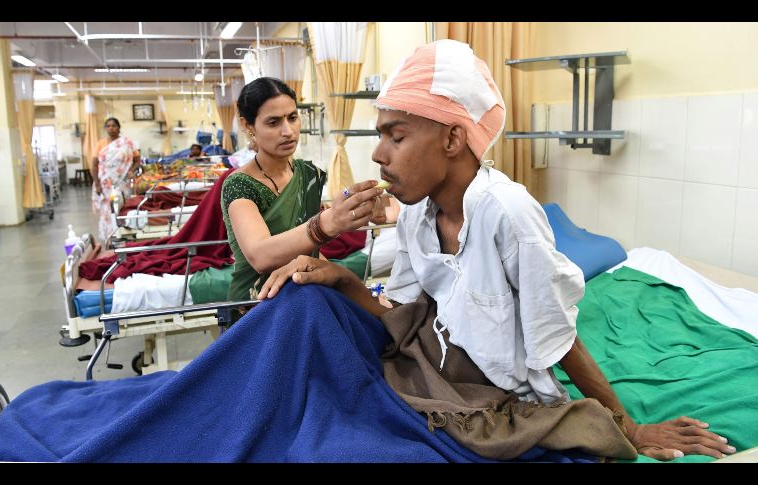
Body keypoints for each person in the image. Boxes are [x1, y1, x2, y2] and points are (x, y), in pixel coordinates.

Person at [255, 40, 736, 461]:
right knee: (303, 305)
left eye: (395, 136)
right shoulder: (419, 213)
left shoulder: (506, 213)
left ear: (452, 138)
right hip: (426, 366)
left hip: (479, 389)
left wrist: (627, 428)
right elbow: (396, 315)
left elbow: (557, 337)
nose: (379, 155)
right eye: (381, 136)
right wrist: (339, 277)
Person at [222, 77, 385, 302]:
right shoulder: (240, 185)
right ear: (248, 125)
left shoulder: (309, 175)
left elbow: (309, 253)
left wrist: (351, 288)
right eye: (273, 122)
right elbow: (260, 256)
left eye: (292, 117)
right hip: (256, 301)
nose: (287, 131)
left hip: (304, 290)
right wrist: (329, 222)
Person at [90, 117, 141, 241]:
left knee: (123, 205)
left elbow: (137, 160)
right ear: (105, 128)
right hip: (105, 183)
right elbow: (94, 164)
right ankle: (110, 235)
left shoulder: (127, 143)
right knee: (107, 210)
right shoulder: (101, 144)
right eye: (108, 126)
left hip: (122, 182)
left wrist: (131, 171)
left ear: (119, 128)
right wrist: (97, 184)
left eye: (114, 126)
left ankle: (124, 232)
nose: (111, 128)